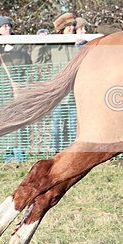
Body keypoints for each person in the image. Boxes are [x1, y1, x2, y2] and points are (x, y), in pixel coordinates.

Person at [32, 11, 80, 153]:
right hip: (59, 95)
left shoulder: (77, 45)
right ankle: (55, 152)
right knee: (56, 126)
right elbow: (37, 59)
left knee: (73, 126)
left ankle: (73, 153)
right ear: (61, 29)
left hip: (74, 94)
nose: (72, 28)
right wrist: (40, 41)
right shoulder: (52, 46)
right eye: (68, 26)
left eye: (73, 25)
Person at [0, 11, 32, 161]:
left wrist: (12, 51)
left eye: (8, 25)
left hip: (16, 92)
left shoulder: (19, 47)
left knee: (18, 122)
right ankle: (7, 153)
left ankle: (19, 154)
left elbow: (22, 67)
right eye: (3, 26)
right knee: (2, 123)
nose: (7, 28)